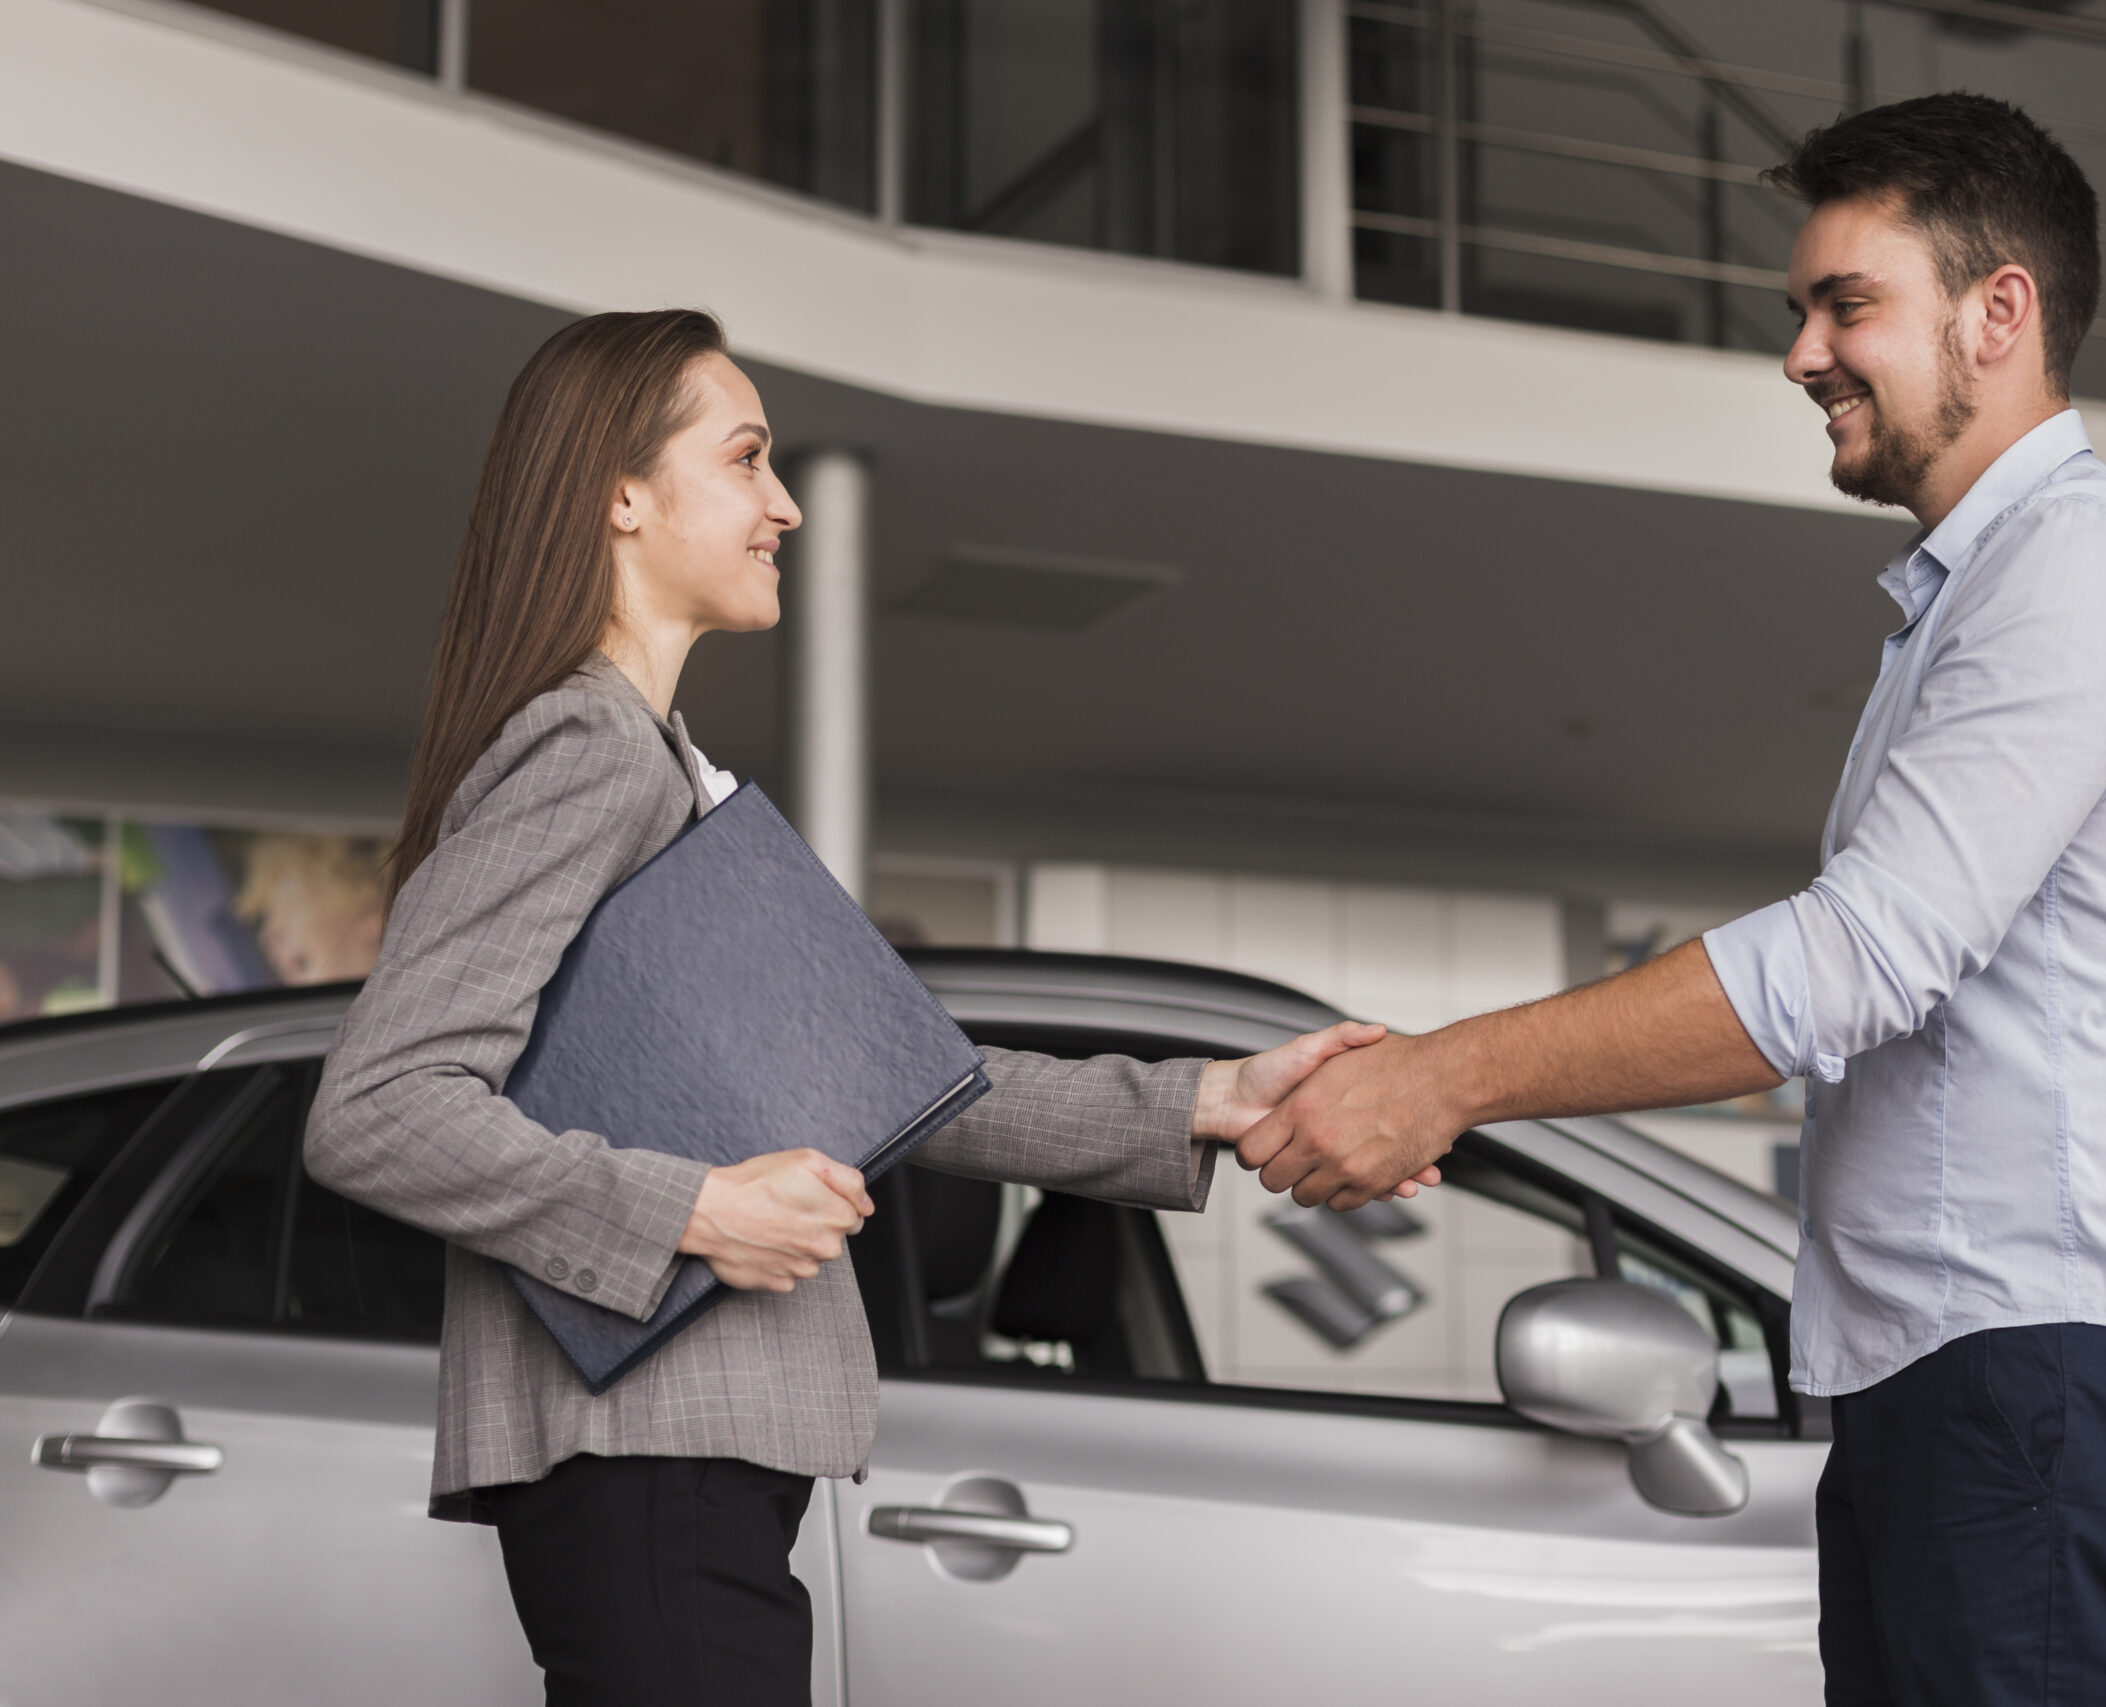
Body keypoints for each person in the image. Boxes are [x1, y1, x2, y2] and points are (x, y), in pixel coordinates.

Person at [1236, 93, 2106, 1706]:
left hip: (2050, 1369)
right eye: (1803, 311)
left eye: (1845, 303)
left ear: (1998, 313)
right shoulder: (1970, 600)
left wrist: (1443, 1077)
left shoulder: (2084, 567)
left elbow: (1857, 961)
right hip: (1965, 1374)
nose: (1799, 354)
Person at [303, 309, 1418, 1707]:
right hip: (652, 1449)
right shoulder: (587, 748)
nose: (783, 507)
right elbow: (379, 1110)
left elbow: (893, 1080)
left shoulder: (655, 764)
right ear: (622, 495)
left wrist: (1206, 1098)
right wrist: (695, 1214)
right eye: (748, 459)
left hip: (681, 1454)